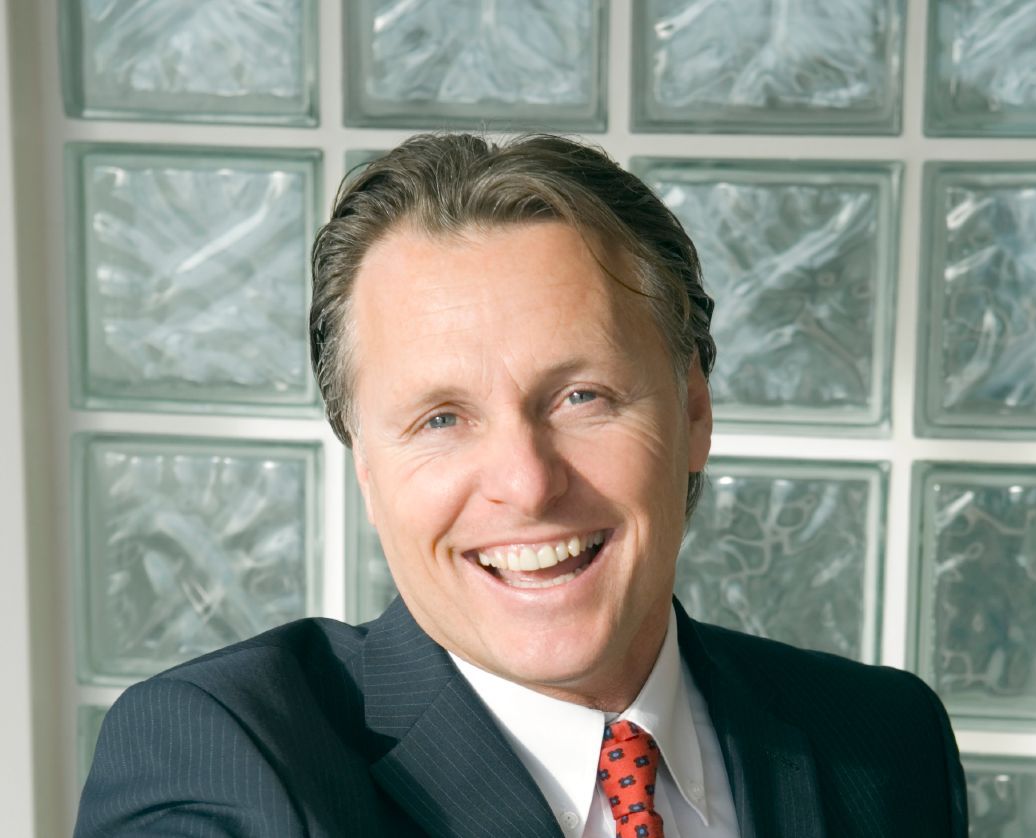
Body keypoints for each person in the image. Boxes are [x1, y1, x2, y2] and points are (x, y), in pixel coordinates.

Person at [76, 133, 968, 837]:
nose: (527, 483)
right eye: (440, 419)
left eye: (582, 397)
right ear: (366, 465)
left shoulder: (883, 740)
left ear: (693, 412)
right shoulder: (225, 759)